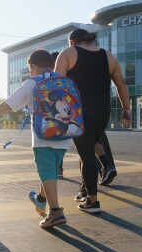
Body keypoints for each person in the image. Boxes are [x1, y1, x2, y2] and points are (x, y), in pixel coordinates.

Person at [0, 49, 72, 228]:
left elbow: (10, 104)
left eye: (30, 68)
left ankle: (55, 212)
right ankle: (40, 200)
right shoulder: (63, 81)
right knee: (50, 173)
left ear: (34, 67)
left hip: (43, 137)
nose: (30, 72)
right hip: (65, 136)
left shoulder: (32, 83)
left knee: (46, 173)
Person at [55, 29, 131, 213]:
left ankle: (92, 201)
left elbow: (57, 83)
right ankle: (85, 191)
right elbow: (121, 83)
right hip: (103, 112)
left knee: (86, 154)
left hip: (78, 112)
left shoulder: (68, 53)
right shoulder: (108, 56)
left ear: (72, 42)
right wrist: (126, 109)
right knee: (87, 151)